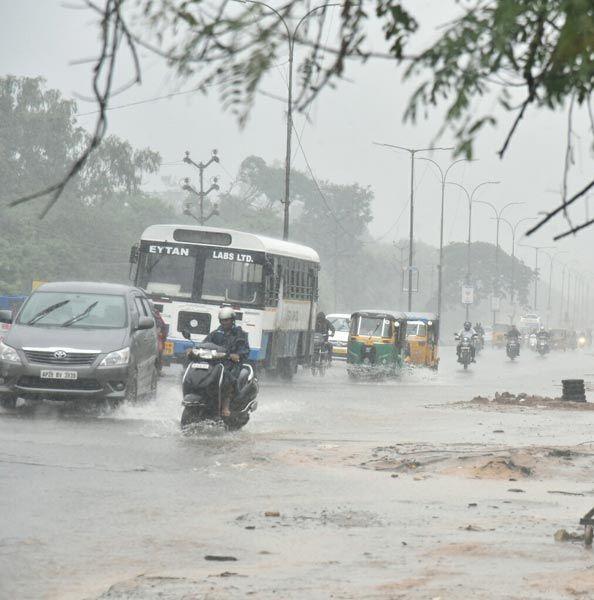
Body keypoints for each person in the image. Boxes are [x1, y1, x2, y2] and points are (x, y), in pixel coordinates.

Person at [204, 307, 250, 417]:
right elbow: (205, 343)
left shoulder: (240, 334)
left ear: (232, 320)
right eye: (222, 320)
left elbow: (245, 350)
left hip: (232, 364)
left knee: (228, 376)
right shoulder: (215, 333)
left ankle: (225, 406)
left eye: (227, 320)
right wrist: (194, 349)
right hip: (216, 362)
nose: (224, 322)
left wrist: (237, 355)